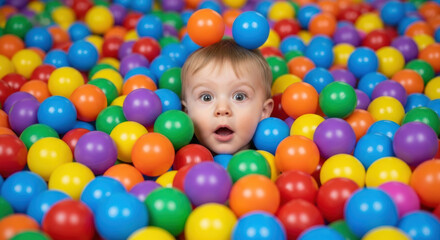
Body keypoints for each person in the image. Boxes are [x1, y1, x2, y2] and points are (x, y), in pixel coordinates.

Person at [181, 39, 274, 155]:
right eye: (206, 97)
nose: (222, 109)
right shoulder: (181, 158)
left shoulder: (270, 162)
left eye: (239, 97)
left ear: (263, 111)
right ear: (187, 112)